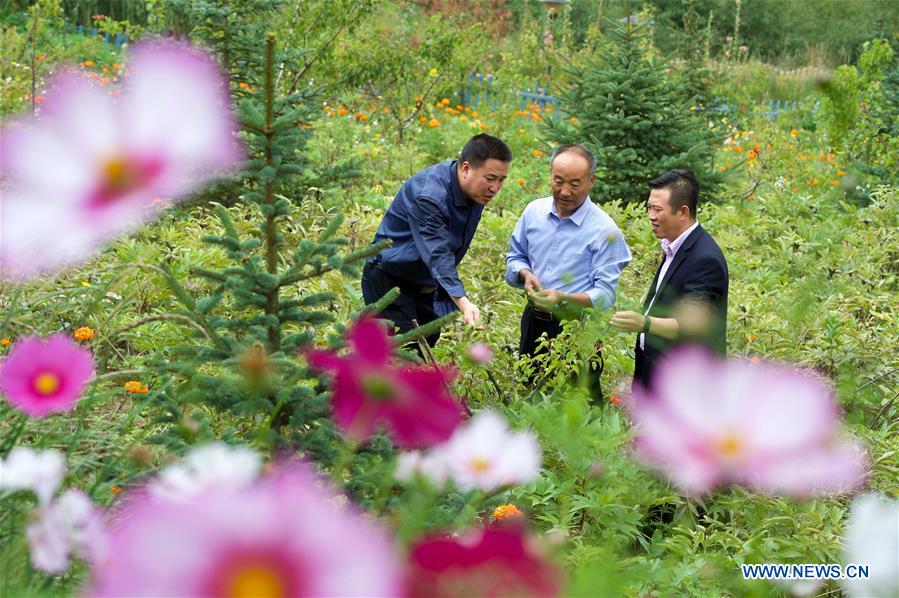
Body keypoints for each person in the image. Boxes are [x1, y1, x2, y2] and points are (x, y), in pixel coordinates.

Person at [361, 134, 512, 346]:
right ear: (466, 168)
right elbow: (438, 252)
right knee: (406, 354)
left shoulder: (475, 192)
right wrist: (463, 302)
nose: (495, 188)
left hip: (425, 285)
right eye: (490, 178)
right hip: (390, 281)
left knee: (427, 346)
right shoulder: (429, 196)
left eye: (501, 180)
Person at [505, 144, 631, 386]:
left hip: (577, 329)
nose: (564, 191)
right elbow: (515, 256)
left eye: (575, 184)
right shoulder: (534, 212)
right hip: (534, 320)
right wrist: (525, 273)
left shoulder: (605, 230)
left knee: (578, 403)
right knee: (529, 394)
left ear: (591, 180)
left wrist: (564, 297)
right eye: (558, 181)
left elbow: (605, 295)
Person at [610, 169, 728, 390]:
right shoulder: (675, 247)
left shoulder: (704, 259)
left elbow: (692, 327)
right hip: (656, 373)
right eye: (649, 207)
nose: (650, 216)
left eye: (657, 209)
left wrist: (643, 323)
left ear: (683, 212)